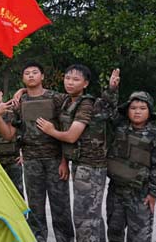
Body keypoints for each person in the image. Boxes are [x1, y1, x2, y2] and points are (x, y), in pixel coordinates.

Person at [36, 65, 120, 242]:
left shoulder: (86, 104)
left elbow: (72, 136)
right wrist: (64, 161)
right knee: (90, 216)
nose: (70, 82)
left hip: (91, 166)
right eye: (67, 78)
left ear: (86, 83)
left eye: (76, 79)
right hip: (78, 164)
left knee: (85, 219)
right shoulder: (68, 101)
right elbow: (41, 92)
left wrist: (50, 130)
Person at [0, 61, 74, 242]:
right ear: (23, 78)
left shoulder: (57, 98)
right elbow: (9, 135)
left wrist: (64, 161)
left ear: (42, 76)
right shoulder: (19, 103)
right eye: (27, 73)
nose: (31, 75)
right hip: (31, 161)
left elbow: (65, 129)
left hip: (55, 161)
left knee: (60, 207)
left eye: (35, 72)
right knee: (35, 208)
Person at [106, 91, 156, 242]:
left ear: (149, 111)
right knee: (114, 232)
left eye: (142, 108)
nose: (137, 112)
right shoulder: (118, 128)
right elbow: (107, 111)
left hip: (140, 194)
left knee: (139, 237)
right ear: (127, 110)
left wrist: (153, 194)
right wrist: (113, 89)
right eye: (133, 108)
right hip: (116, 192)